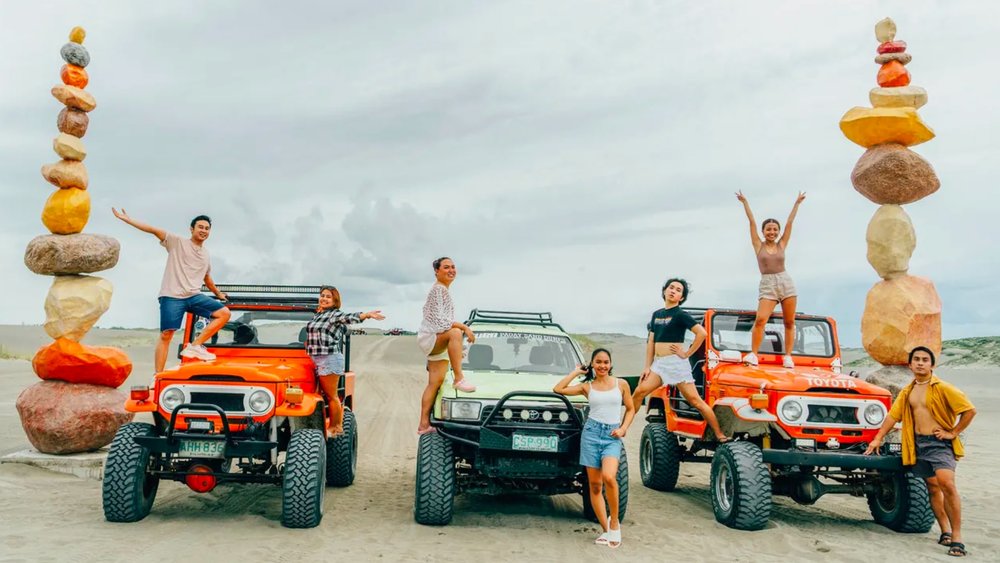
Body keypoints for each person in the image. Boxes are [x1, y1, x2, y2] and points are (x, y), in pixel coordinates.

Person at [865, 347, 976, 558]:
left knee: (947, 484)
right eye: (916, 359)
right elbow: (892, 416)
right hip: (917, 444)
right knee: (933, 488)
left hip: (939, 443)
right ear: (910, 364)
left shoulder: (943, 388)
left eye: (925, 360)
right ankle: (945, 531)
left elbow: (969, 410)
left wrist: (953, 432)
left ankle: (958, 538)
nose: (920, 363)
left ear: (932, 365)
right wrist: (878, 437)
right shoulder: (908, 391)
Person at [112, 209, 230, 371]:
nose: (204, 230)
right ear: (192, 229)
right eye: (200, 227)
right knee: (166, 335)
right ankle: (157, 376)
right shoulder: (177, 242)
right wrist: (127, 220)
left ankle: (195, 346)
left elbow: (207, 278)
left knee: (224, 313)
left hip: (194, 295)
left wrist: (218, 294)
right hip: (172, 296)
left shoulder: (205, 254)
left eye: (207, 228)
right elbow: (153, 230)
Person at [553, 348, 635, 549]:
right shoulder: (587, 387)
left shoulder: (621, 384)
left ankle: (614, 521)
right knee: (595, 485)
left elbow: (631, 408)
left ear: (611, 364)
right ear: (592, 364)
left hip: (611, 436)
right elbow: (558, 389)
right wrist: (577, 372)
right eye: (598, 362)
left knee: (609, 477)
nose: (602, 366)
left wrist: (624, 428)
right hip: (590, 434)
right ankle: (606, 530)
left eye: (606, 362)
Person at [630, 278, 728, 442]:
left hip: (675, 364)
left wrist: (687, 353)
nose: (673, 290)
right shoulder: (657, 314)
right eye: (671, 287)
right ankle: (624, 425)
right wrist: (647, 367)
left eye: (678, 290)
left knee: (696, 401)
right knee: (639, 392)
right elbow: (651, 342)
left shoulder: (681, 314)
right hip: (659, 365)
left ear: (681, 298)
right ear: (665, 291)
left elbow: (702, 333)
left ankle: (719, 434)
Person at [735, 190, 805, 368]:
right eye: (768, 229)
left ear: (778, 231)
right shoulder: (758, 245)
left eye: (775, 229)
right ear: (763, 231)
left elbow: (790, 223)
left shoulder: (782, 244)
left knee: (789, 321)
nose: (772, 232)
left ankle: (788, 356)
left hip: (785, 282)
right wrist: (745, 202)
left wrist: (796, 204)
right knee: (761, 320)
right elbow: (751, 222)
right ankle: (754, 354)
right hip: (767, 283)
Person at [305, 286, 384, 437]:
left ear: (335, 300)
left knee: (331, 395)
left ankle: (336, 427)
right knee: (319, 394)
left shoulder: (334, 315)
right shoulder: (318, 315)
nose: (324, 298)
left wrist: (366, 315)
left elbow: (349, 317)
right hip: (316, 358)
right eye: (322, 295)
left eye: (328, 296)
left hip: (329, 359)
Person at [417, 257, 476, 434]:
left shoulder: (443, 290)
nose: (451, 270)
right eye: (446, 267)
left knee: (435, 383)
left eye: (453, 267)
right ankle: (459, 378)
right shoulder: (438, 290)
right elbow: (441, 323)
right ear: (436, 271)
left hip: (435, 338)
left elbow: (443, 321)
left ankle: (423, 424)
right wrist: (464, 327)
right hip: (431, 337)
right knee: (455, 333)